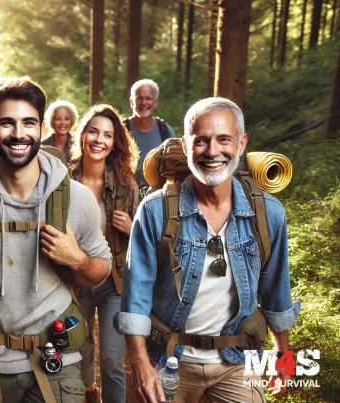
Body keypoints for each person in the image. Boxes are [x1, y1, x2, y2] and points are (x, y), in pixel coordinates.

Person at [0, 76, 112, 403]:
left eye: (28, 122)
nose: (18, 134)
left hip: (59, 358)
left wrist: (78, 261)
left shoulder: (75, 199)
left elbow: (101, 270)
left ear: (42, 128)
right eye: (7, 123)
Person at [117, 97, 300, 402]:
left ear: (241, 145)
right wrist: (140, 365)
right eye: (201, 141)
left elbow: (276, 291)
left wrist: (284, 357)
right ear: (187, 146)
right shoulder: (155, 212)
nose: (213, 151)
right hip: (165, 359)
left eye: (223, 139)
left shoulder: (269, 214)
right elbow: (135, 297)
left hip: (238, 363)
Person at [70, 104, 140, 403]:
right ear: (83, 135)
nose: (99, 139)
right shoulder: (63, 179)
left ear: (115, 143)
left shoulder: (126, 183)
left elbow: (147, 241)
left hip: (114, 283)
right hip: (73, 281)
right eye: (94, 131)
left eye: (108, 135)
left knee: (112, 361)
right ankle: (88, 392)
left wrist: (131, 228)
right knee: (77, 354)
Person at [126, 79, 176, 189]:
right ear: (131, 102)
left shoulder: (166, 131)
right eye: (139, 98)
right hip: (124, 198)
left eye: (148, 98)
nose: (144, 102)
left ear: (156, 102)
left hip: (157, 198)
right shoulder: (120, 130)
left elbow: (174, 170)